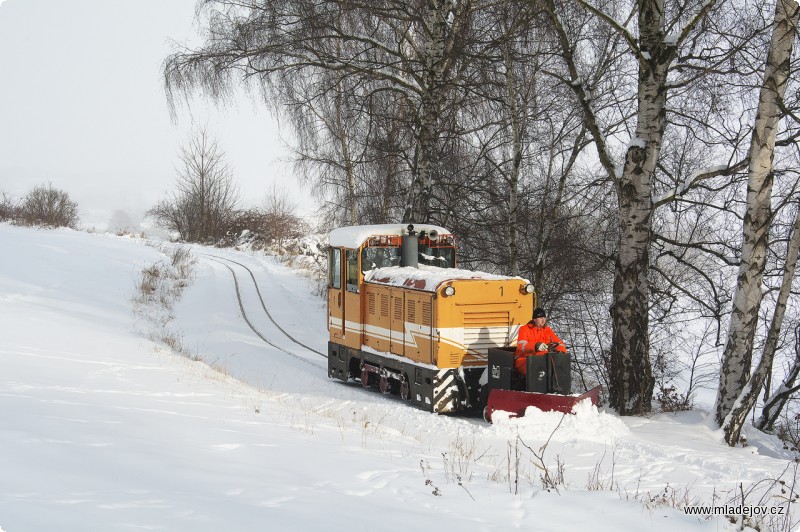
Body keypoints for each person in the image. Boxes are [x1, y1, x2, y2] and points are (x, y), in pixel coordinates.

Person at [514, 307, 567, 375]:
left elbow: (559, 343)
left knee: (557, 366)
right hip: (525, 360)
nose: (543, 320)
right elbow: (521, 346)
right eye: (541, 318)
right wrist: (535, 346)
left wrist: (561, 352)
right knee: (540, 368)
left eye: (544, 318)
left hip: (542, 361)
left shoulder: (547, 330)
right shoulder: (524, 329)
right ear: (534, 319)